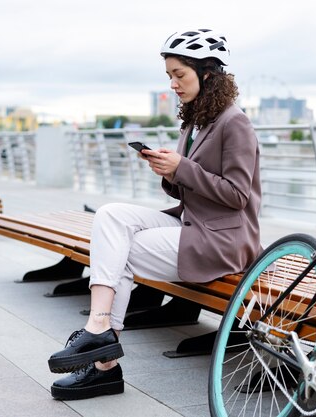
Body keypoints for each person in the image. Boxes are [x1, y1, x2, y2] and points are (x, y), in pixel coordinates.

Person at [47, 28, 262, 401]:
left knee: (121, 253)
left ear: (207, 73)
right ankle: (98, 328)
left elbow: (238, 196)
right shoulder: (197, 120)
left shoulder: (234, 122)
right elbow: (191, 189)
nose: (173, 84)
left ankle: (104, 363)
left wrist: (182, 168)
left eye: (180, 75)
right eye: (169, 76)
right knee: (112, 216)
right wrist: (169, 172)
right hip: (194, 223)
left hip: (225, 240)